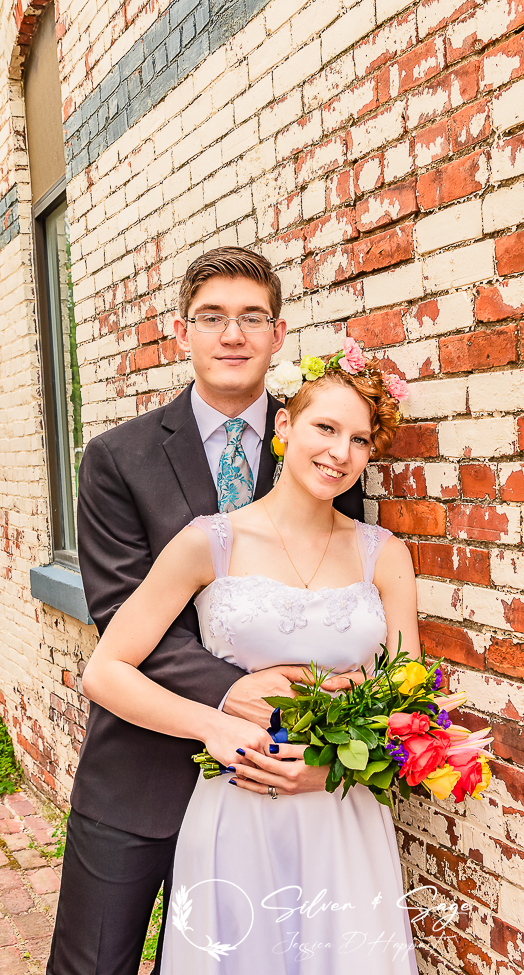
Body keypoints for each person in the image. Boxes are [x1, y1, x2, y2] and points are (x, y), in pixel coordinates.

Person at [47, 248, 364, 975]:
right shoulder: (116, 458)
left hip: (271, 781)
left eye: (251, 318)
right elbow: (119, 610)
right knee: (92, 964)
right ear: (182, 332)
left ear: (278, 335)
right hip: (141, 766)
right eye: (212, 318)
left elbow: (329, 592)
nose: (232, 335)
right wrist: (234, 694)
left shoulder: (319, 449)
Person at [81, 357, 420, 974]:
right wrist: (213, 725)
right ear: (284, 426)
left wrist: (335, 771)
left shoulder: (385, 557)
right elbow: (105, 673)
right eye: (325, 429)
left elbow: (410, 705)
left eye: (360, 439)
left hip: (342, 819)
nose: (341, 452)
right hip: (236, 808)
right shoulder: (210, 541)